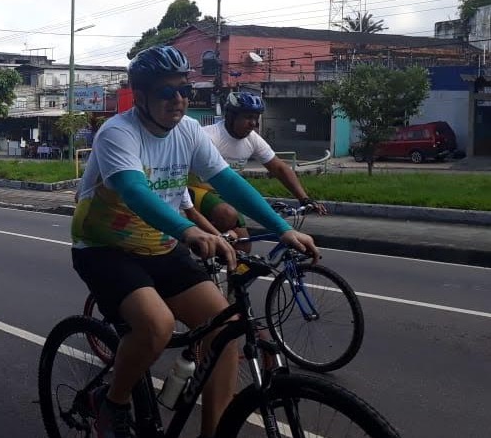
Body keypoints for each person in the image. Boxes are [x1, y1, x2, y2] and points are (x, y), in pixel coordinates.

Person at [70, 45, 319, 438]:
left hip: (161, 246)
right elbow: (135, 192)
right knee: (157, 326)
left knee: (226, 330)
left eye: (185, 90)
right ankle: (111, 402)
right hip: (106, 248)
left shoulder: (187, 131)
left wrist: (281, 227)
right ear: (141, 95)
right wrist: (190, 231)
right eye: (167, 92)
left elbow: (227, 182)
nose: (179, 100)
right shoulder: (118, 132)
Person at [188, 92, 328, 247]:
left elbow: (279, 168)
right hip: (197, 190)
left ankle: (220, 254)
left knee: (244, 248)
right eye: (248, 117)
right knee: (227, 214)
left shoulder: (252, 139)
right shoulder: (210, 137)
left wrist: (304, 198)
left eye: (256, 118)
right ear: (230, 116)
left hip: (227, 195)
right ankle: (201, 241)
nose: (253, 123)